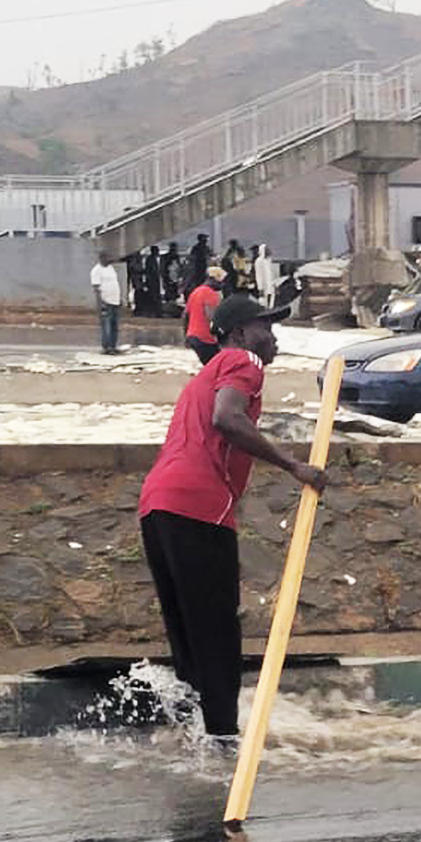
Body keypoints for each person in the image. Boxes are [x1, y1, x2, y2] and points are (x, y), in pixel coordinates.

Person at [138, 293, 326, 741]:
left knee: (190, 639)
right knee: (218, 637)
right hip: (198, 506)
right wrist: (293, 466)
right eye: (267, 327)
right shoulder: (244, 361)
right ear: (240, 334)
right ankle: (223, 744)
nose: (274, 336)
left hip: (157, 505)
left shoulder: (207, 373)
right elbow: (227, 419)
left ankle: (194, 737)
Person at [183, 267, 226, 364]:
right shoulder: (211, 294)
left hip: (193, 336)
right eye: (221, 282)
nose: (223, 285)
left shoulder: (195, 292)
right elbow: (212, 317)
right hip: (205, 338)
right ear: (214, 280)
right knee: (218, 365)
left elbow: (186, 315)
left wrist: (186, 335)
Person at [90, 250, 123, 355]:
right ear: (102, 258)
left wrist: (119, 299)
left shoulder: (110, 268)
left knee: (115, 325)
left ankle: (113, 346)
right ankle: (106, 347)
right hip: (106, 302)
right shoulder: (96, 271)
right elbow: (96, 289)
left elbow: (114, 283)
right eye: (108, 257)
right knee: (106, 326)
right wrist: (100, 304)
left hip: (115, 301)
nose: (111, 260)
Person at [185, 234, 212, 300]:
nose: (206, 240)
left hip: (203, 268)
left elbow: (210, 255)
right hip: (198, 269)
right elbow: (192, 258)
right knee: (199, 282)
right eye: (205, 238)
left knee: (202, 283)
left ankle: (201, 295)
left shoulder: (202, 247)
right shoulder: (197, 248)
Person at [138, 247, 163, 317]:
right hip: (152, 280)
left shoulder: (152, 259)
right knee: (154, 296)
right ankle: (155, 312)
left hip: (155, 280)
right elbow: (150, 271)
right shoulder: (150, 259)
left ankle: (156, 312)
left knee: (155, 296)